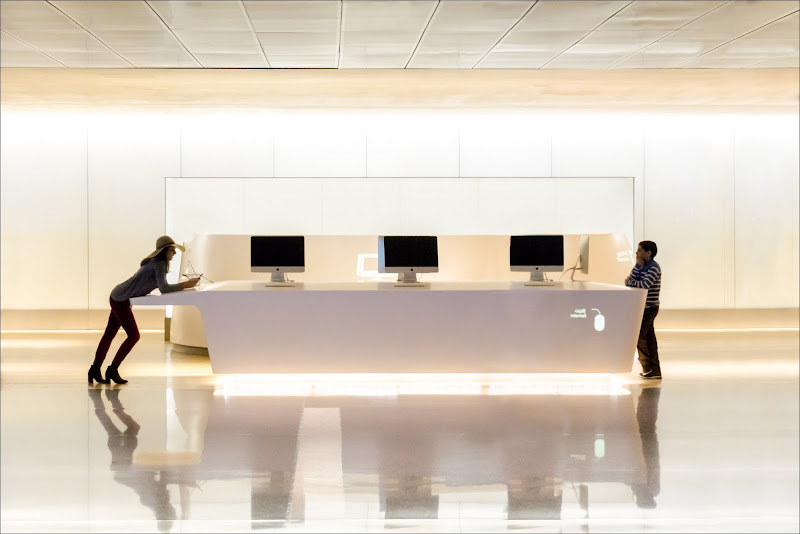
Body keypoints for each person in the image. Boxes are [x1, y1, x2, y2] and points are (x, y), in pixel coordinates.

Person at [89, 235, 198, 384]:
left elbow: (160, 287)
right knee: (133, 336)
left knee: (109, 335)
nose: (174, 253)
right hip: (120, 299)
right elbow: (164, 288)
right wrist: (185, 285)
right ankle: (112, 369)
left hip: (118, 296)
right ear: (165, 250)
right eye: (172, 250)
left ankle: (95, 369)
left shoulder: (155, 262)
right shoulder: (159, 263)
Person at [625, 240, 662, 379]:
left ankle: (648, 367)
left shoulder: (654, 267)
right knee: (649, 339)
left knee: (639, 336)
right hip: (642, 307)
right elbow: (633, 280)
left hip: (649, 308)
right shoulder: (642, 266)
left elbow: (643, 285)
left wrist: (630, 282)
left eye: (640, 250)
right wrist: (637, 266)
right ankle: (653, 370)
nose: (637, 253)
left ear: (648, 253)